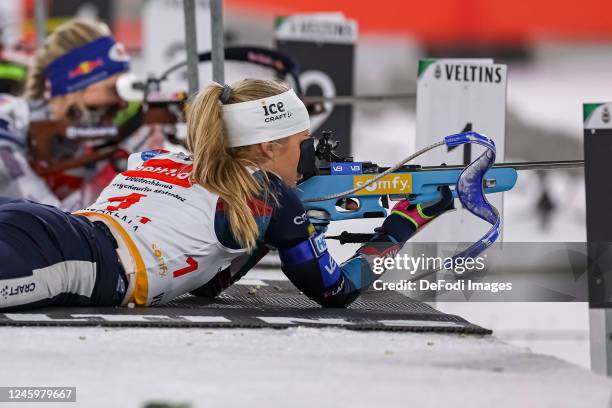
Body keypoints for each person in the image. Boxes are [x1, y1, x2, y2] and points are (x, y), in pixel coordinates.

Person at [0, 78, 452, 311]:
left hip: (46, 229)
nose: (310, 157)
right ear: (268, 148)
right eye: (304, 145)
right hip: (70, 261)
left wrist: (273, 234)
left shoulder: (158, 158)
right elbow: (335, 291)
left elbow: (208, 283)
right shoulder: (267, 193)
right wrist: (403, 224)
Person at [0, 18, 155, 209]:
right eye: (113, 89)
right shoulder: (8, 119)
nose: (123, 103)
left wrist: (143, 161)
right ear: (73, 85)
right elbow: (40, 218)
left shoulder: (97, 143)